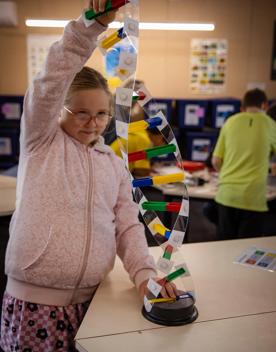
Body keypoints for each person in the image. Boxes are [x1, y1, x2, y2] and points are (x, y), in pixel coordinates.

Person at [0, 2, 177, 351]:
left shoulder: (111, 164)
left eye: (101, 114)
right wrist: (89, 27)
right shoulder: (41, 141)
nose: (92, 123)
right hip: (36, 305)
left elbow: (127, 226)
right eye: (80, 112)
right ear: (58, 109)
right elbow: (51, 77)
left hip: (94, 303)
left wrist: (144, 275)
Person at [212, 88, 276, 240]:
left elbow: (216, 161)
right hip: (253, 197)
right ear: (265, 106)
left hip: (227, 194)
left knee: (224, 246)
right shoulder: (271, 124)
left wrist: (228, 172)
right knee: (246, 251)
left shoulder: (230, 122)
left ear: (242, 107)